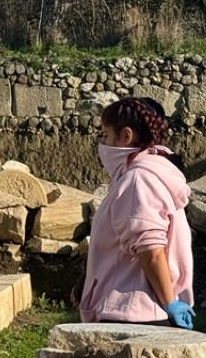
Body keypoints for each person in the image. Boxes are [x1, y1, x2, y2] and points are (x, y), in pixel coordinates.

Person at [75, 97, 195, 329]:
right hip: (139, 312)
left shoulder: (139, 180)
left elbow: (150, 250)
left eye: (106, 135)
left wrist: (170, 302)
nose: (103, 143)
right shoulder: (146, 174)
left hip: (131, 313)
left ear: (126, 136)